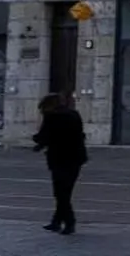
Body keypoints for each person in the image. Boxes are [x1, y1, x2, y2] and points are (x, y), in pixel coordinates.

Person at [33, 93, 87, 235]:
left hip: (60, 158)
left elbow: (44, 137)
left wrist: (36, 141)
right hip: (76, 158)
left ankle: (70, 222)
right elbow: (80, 134)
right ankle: (56, 221)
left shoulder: (52, 117)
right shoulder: (74, 114)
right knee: (65, 191)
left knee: (60, 193)